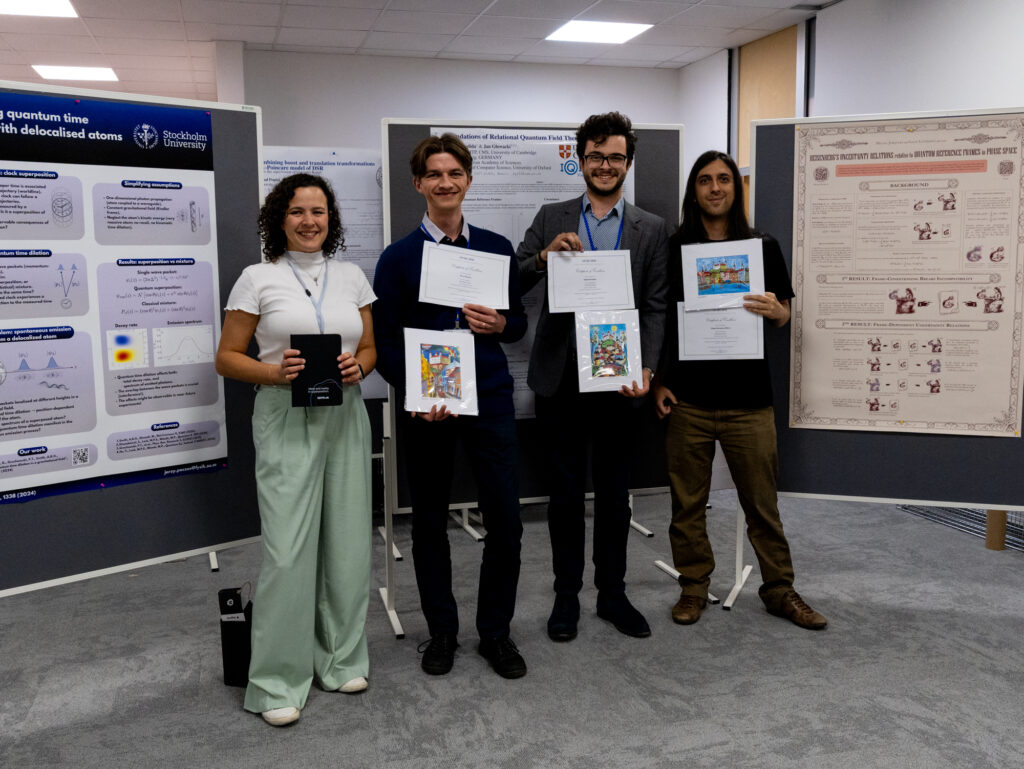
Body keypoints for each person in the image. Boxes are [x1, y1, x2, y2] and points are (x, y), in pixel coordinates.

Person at [215, 173, 377, 726]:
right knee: (287, 550)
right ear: (279, 219)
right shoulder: (257, 278)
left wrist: (361, 367)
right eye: (298, 211)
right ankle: (277, 680)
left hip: (345, 414)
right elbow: (226, 357)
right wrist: (273, 372)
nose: (310, 221)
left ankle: (340, 658)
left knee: (347, 543)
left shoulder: (352, 276)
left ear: (331, 219)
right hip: (284, 413)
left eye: (319, 211)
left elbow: (370, 346)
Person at [373, 134, 528, 679]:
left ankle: (496, 633)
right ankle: (441, 631)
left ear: (468, 179)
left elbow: (518, 324)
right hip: (429, 407)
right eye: (434, 174)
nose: (445, 182)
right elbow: (384, 342)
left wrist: (501, 323)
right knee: (429, 522)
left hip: (490, 397)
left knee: (505, 520)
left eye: (454, 173)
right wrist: (414, 394)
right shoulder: (397, 257)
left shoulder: (496, 248)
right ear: (419, 183)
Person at [652, 150, 827, 630]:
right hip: (687, 400)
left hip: (749, 402)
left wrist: (777, 311)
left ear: (736, 188)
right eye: (705, 180)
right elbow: (661, 319)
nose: (715, 188)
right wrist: (659, 379)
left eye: (724, 179)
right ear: (694, 191)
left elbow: (785, 313)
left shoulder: (761, 246)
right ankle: (693, 587)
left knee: (762, 505)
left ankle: (779, 590)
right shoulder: (675, 248)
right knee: (687, 505)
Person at [517, 112, 669, 641]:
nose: (606, 165)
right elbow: (514, 276)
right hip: (561, 377)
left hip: (619, 378)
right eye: (596, 156)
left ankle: (612, 594)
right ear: (580, 160)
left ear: (628, 162)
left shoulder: (651, 228)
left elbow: (655, 307)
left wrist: (647, 366)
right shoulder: (551, 216)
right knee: (562, 495)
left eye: (615, 157)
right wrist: (543, 256)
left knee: (613, 493)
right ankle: (566, 597)